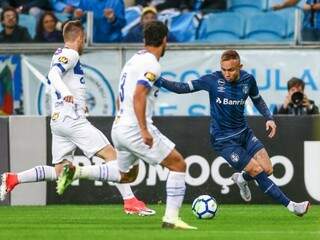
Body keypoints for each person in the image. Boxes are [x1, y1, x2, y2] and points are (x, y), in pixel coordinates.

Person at [0, 20, 154, 216]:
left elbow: (58, 80)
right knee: (113, 157)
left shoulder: (60, 54)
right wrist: (66, 94)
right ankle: (130, 201)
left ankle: (13, 178)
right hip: (72, 120)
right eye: (84, 40)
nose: (84, 44)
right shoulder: (70, 54)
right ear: (79, 38)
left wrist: (77, 100)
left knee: (59, 171)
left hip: (58, 121)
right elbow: (54, 76)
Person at [59, 21, 196, 229]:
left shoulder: (135, 59)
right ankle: (171, 218)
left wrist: (123, 119)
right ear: (165, 40)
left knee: (127, 175)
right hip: (134, 129)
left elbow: (120, 96)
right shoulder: (152, 64)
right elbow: (139, 94)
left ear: (144, 39)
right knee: (178, 165)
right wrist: (143, 129)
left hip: (119, 127)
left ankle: (77, 172)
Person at [156, 49, 310, 217]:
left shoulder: (248, 80)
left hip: (244, 133)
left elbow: (257, 99)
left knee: (267, 169)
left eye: (231, 70)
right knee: (257, 170)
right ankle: (292, 206)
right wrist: (159, 80)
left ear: (240, 67)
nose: (227, 74)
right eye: (224, 69)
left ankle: (242, 179)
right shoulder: (212, 80)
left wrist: (269, 118)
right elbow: (182, 88)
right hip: (224, 140)